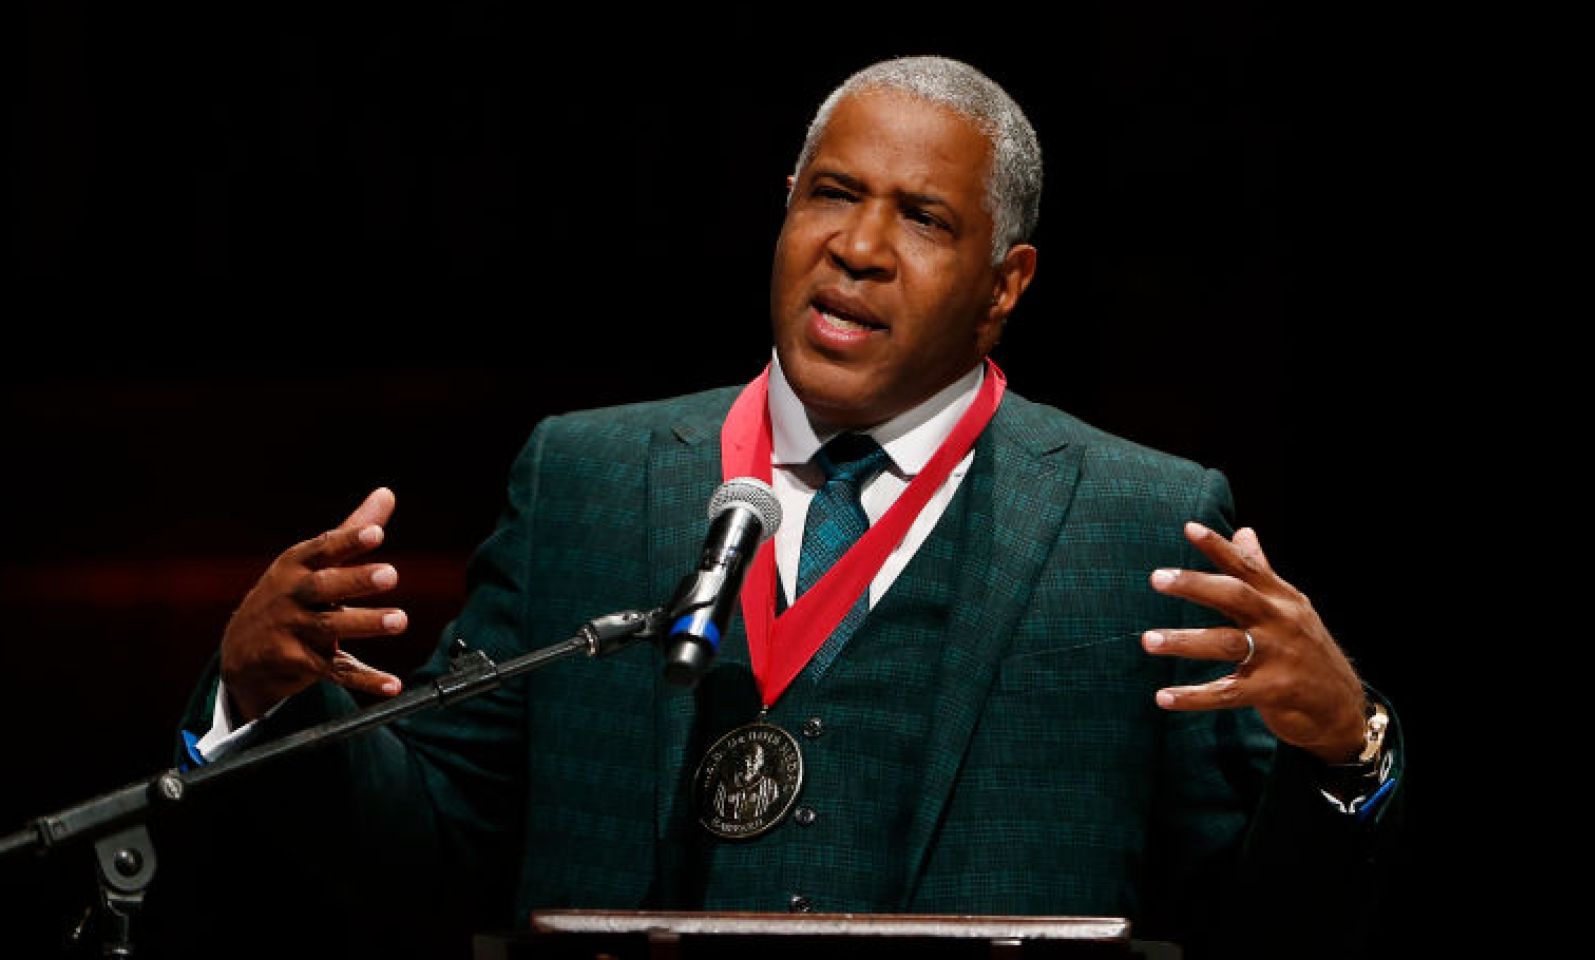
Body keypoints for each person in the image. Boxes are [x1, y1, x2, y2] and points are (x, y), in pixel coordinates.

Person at [179, 55, 1402, 958]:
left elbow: (1258, 918)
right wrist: (265, 700)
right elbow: (432, 842)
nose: (857, 248)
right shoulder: (590, 478)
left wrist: (1348, 754)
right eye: (831, 193)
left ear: (1004, 285)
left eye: (922, 219)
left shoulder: (1139, 521)